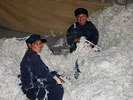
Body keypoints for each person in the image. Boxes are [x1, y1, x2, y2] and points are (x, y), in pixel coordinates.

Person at [20, 34, 64, 100]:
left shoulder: (29, 54)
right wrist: (54, 82)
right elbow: (43, 74)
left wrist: (55, 74)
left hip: (28, 87)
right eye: (36, 43)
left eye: (40, 43)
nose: (39, 45)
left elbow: (41, 70)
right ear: (29, 45)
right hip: (32, 90)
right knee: (58, 88)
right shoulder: (33, 57)